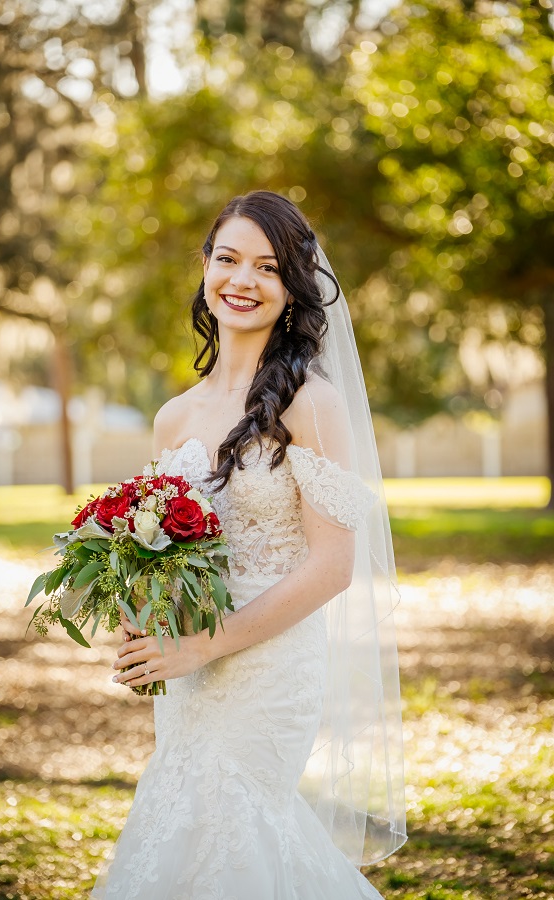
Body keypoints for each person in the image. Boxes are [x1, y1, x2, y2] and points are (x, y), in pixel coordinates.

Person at [91, 190, 406, 899]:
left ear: (292, 287)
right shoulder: (174, 417)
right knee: (183, 822)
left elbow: (332, 567)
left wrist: (208, 643)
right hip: (186, 667)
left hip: (267, 662)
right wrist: (142, 615)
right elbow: (163, 547)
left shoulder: (311, 404)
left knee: (237, 821)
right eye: (228, 259)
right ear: (204, 266)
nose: (242, 280)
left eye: (267, 268)